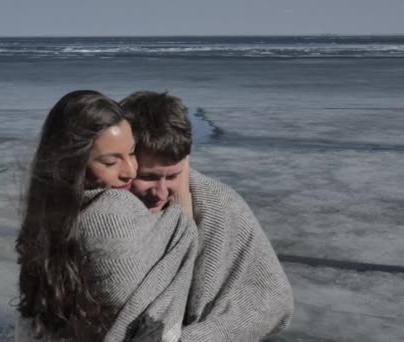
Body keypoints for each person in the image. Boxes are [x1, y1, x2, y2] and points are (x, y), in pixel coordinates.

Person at [15, 90, 198, 342]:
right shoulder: (112, 213)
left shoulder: (47, 220)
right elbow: (182, 231)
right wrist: (183, 166)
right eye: (111, 162)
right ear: (74, 165)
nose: (130, 171)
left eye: (132, 152)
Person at [120, 91, 295, 341]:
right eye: (147, 177)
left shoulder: (218, 203)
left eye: (172, 177)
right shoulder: (98, 208)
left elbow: (272, 299)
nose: (160, 192)